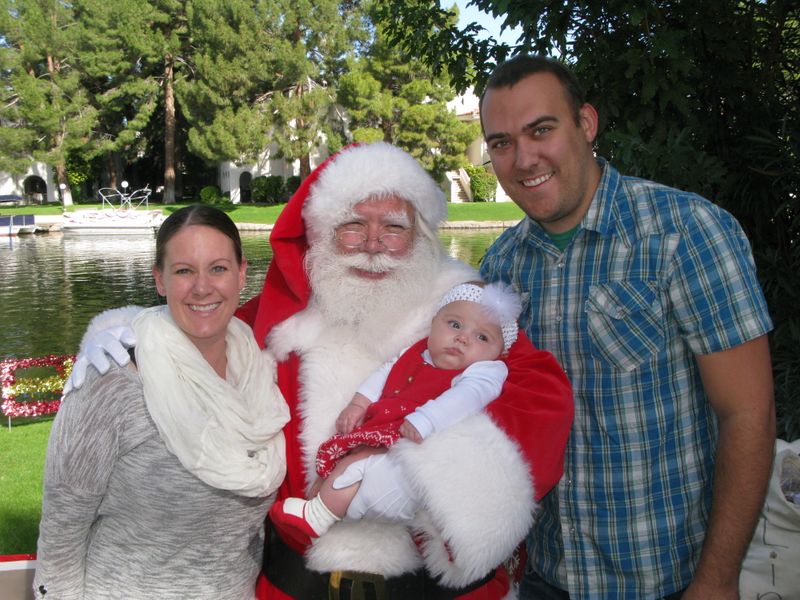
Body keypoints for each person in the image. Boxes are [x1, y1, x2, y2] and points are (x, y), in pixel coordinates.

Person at [69, 142, 574, 598]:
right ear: (322, 231)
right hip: (296, 586)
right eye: (354, 224)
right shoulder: (278, 321)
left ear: (420, 236)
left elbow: (539, 395)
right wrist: (132, 329)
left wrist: (420, 466)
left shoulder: (464, 312)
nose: (373, 242)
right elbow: (200, 322)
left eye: (394, 226)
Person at [478, 54, 776, 599]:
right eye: (500, 143)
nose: (523, 158)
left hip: (671, 580)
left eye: (541, 129)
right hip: (548, 576)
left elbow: (748, 414)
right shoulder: (499, 269)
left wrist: (716, 580)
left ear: (586, 124)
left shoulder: (686, 233)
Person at [33, 205, 290, 599]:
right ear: (160, 280)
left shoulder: (260, 376)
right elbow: (60, 543)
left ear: (242, 274)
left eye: (218, 268)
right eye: (184, 270)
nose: (202, 287)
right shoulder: (111, 384)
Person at [270, 280, 523, 542]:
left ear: (500, 352)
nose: (462, 338)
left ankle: (319, 515)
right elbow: (384, 374)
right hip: (384, 428)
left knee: (355, 464)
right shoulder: (416, 352)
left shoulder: (486, 371)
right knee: (341, 459)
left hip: (419, 441)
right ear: (435, 322)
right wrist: (359, 403)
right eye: (455, 324)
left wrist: (427, 419)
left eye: (482, 337)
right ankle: (319, 502)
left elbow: (466, 397)